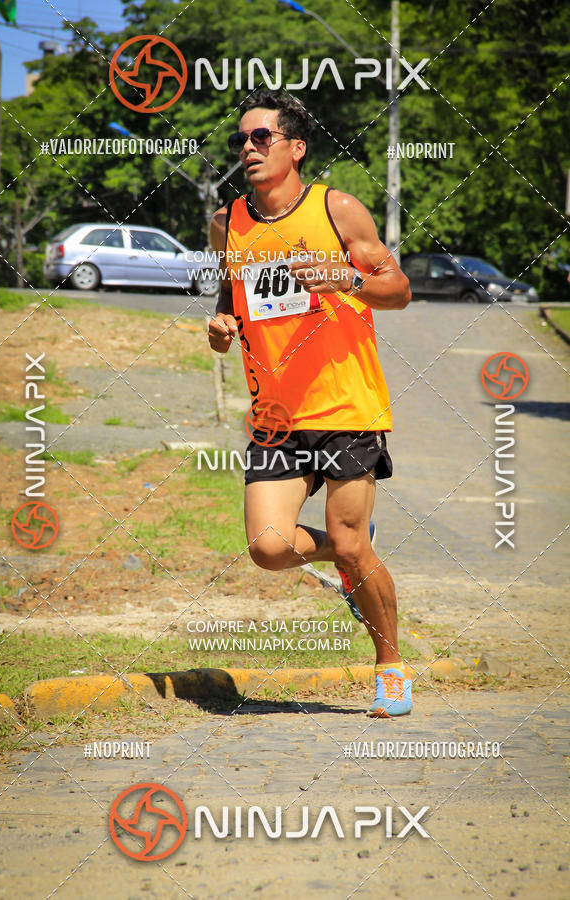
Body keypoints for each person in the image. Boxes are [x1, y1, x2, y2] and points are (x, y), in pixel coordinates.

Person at [207, 89, 412, 717]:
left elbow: (397, 289)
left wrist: (345, 279)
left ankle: (390, 668)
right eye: (242, 139)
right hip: (275, 415)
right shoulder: (227, 222)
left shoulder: (337, 211)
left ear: (295, 147)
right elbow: (231, 291)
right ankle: (355, 556)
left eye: (262, 138)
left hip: (346, 408)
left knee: (352, 548)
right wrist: (221, 325)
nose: (248, 148)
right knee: (270, 548)